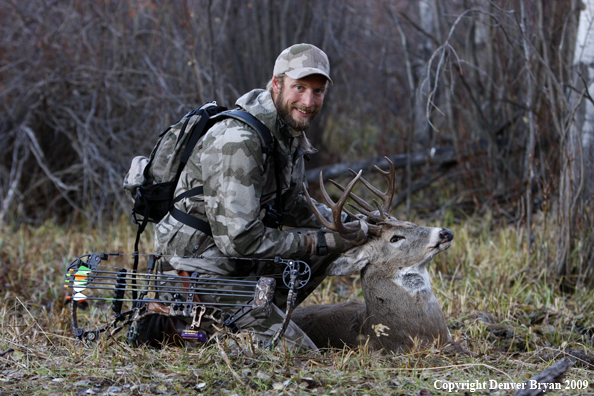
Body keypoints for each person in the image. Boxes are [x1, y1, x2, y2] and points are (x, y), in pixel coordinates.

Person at [151, 43, 368, 350]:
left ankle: (258, 318)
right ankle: (203, 326)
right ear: (277, 84)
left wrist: (351, 226)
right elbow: (238, 240)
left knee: (330, 245)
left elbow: (292, 205)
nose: (309, 101)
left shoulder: (285, 132)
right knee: (301, 355)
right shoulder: (239, 140)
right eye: (300, 87)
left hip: (235, 264)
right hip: (199, 271)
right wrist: (321, 240)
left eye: (318, 91)